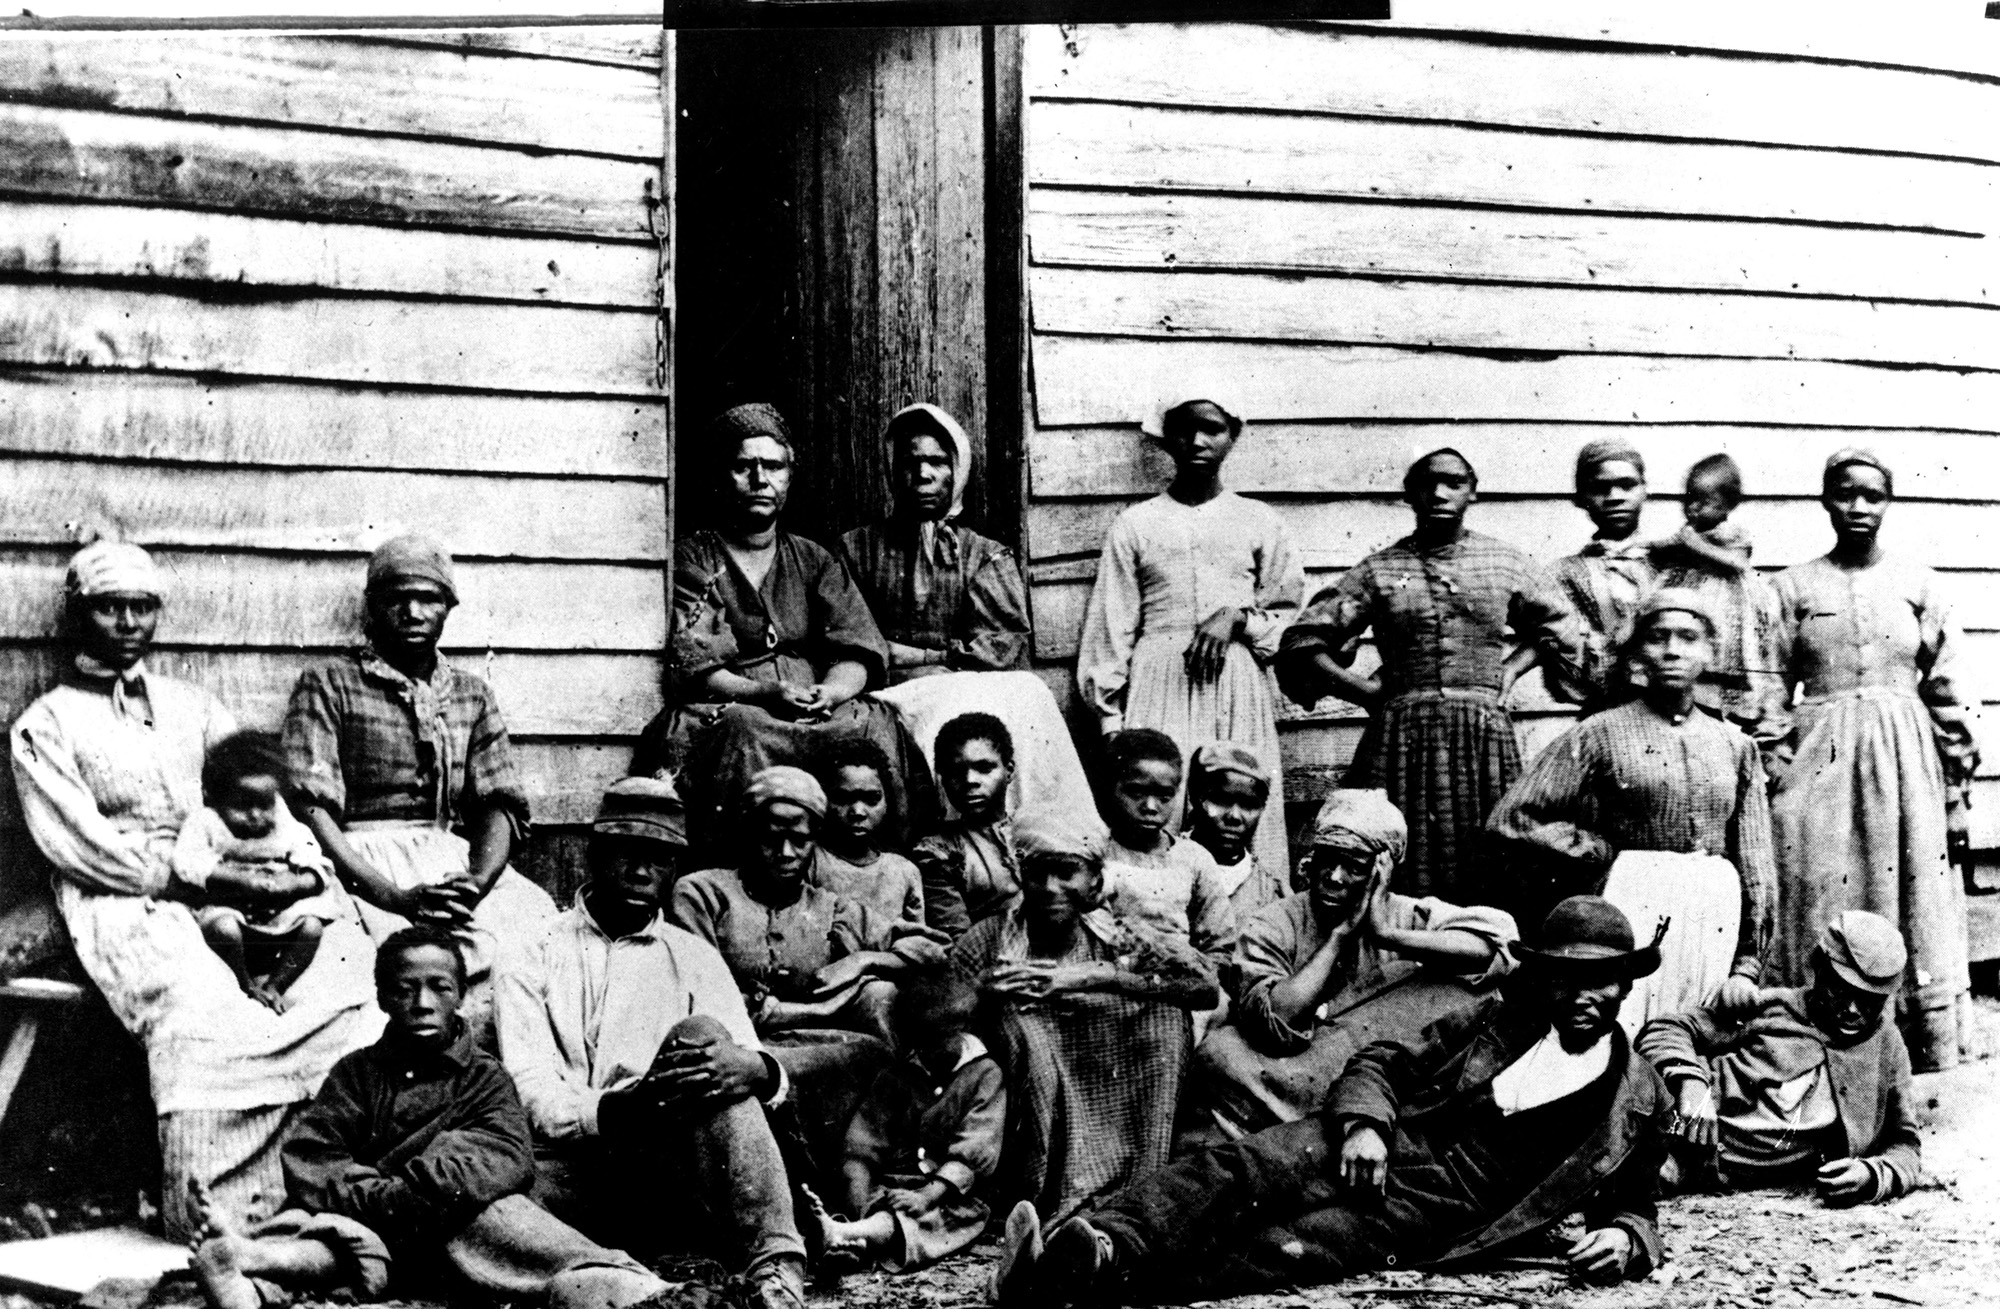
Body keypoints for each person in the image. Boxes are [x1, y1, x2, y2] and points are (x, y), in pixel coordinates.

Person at [992, 896, 1674, 1305]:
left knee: (1285, 1246)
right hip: (1388, 1139)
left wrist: (1625, 1236)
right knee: (1242, 1169)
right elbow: (1383, 1060)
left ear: (1625, 985)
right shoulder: (1497, 1021)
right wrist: (1367, 1126)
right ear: (1546, 977)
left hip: (1446, 1208)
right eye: (1569, 978)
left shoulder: (1636, 1093)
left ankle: (1083, 1279)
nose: (1587, 997)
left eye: (1605, 981)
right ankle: (1108, 1239)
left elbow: (1635, 1200)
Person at [11, 539, 380, 1241]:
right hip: (124, 897)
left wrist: (295, 866)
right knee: (199, 1005)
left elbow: (261, 798)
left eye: (141, 607)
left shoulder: (195, 706)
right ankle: (215, 1212)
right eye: (109, 607)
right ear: (79, 616)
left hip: (233, 884)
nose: (127, 622)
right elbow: (78, 845)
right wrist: (184, 879)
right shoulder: (47, 721)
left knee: (338, 986)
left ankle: (326, 1187)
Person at [188, 928, 668, 1309]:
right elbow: (315, 1155)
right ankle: (249, 1281)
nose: (421, 1003)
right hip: (373, 1223)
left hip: (448, 1221)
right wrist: (382, 1200)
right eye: (404, 989)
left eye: (438, 987)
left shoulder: (483, 1076)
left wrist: (416, 1190)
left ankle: (608, 1280)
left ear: (460, 994)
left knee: (500, 1219)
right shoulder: (357, 1072)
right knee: (318, 1230)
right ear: (381, 998)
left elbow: (502, 1154)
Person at [495, 777, 809, 1309]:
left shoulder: (693, 956)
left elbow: (744, 1071)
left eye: (660, 859)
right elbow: (530, 1086)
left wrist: (758, 1068)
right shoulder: (533, 948)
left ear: (673, 869)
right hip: (573, 1167)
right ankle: (636, 1287)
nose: (642, 871)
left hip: (669, 1168)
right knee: (483, 1206)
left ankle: (776, 1271)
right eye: (627, 852)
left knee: (708, 1040)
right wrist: (615, 1111)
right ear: (595, 854)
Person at [1276, 449, 1585, 901]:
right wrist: (1362, 692)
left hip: (1483, 737)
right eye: (1427, 483)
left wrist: (1510, 670)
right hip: (1401, 737)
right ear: (1410, 495)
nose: (1440, 493)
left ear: (1472, 491)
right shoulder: (1380, 570)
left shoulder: (1504, 563)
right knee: (1396, 856)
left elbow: (1559, 626)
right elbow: (1302, 641)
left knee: (1490, 853)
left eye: (1454, 482)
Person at [283, 534, 558, 1038]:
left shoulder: (472, 694)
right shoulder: (329, 683)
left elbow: (497, 803)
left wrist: (476, 885)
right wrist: (393, 897)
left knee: (533, 942)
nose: (412, 611)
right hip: (358, 863)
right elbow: (312, 809)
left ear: (449, 607)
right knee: (356, 975)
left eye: (428, 598)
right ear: (373, 608)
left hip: (453, 863)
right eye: (395, 599)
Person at [638, 402, 936, 857]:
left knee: (871, 723)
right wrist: (765, 693)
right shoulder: (697, 558)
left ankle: (876, 871)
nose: (760, 479)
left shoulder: (813, 559)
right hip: (739, 701)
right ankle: (741, 870)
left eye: (773, 467)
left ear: (789, 477)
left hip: (812, 702)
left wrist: (832, 694)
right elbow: (698, 666)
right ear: (721, 475)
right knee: (745, 730)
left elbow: (857, 649)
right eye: (744, 466)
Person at [1487, 589, 1777, 1035]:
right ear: (1638, 649)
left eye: (1688, 638)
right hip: (1631, 903)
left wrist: (1748, 965)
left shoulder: (1736, 745)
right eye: (1658, 637)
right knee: (1627, 1028)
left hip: (1714, 912)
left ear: (1710, 651)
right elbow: (1513, 819)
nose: (1673, 650)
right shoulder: (1600, 732)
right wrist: (1594, 852)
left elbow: (1756, 865)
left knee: (1698, 1032)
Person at [1771, 450, 1978, 1072]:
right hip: (1821, 758)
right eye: (1844, 494)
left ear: (1889, 503)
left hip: (1904, 756)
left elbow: (1947, 688)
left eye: (1872, 496)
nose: (1858, 508)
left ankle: (1915, 1046)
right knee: (1822, 883)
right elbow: (1769, 687)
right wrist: (1776, 762)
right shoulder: (1791, 587)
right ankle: (1819, 1042)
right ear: (1824, 500)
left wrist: (1955, 788)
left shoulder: (1920, 584)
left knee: (1908, 884)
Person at [1194, 790, 1518, 1140]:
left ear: (1383, 873)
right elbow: (1276, 1021)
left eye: (1354, 867)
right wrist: (1339, 937)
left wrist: (1386, 935)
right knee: (1222, 1052)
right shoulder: (1274, 922)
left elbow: (1497, 945)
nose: (1334, 877)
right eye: (1327, 860)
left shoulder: (1407, 916)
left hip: (1383, 1076)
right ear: (1311, 859)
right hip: (1298, 1071)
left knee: (1463, 989)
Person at [949, 809, 1219, 1225]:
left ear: (1095, 878)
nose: (1050, 888)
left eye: (1066, 873)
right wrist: (984, 988)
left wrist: (1094, 975)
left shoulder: (1120, 931)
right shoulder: (992, 938)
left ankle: (1136, 1195)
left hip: (1111, 1060)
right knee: (1024, 1030)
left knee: (1166, 1020)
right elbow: (942, 1013)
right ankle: (1047, 1201)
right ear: (1020, 874)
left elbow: (1202, 990)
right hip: (1032, 1091)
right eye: (1037, 874)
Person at [1076, 398, 1305, 888]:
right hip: (1160, 682)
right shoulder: (1136, 524)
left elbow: (1290, 622)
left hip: (1237, 684)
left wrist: (1238, 619)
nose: (1198, 442)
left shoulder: (1259, 520)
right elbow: (1110, 628)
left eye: (1212, 429)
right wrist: (1111, 723)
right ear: (1165, 438)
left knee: (1236, 803)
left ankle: (1250, 932)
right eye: (1184, 430)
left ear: (1233, 434)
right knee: (1162, 805)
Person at [1637, 910, 1922, 1206]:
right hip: (1672, 1137)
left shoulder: (1886, 1044)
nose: (1852, 1009)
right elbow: (1665, 1029)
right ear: (1817, 969)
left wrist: (1872, 1174)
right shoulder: (1772, 1007)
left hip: (1703, 1173)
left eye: (1870, 1000)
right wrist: (1691, 1084)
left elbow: (1906, 1145)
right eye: (1839, 990)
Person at [670, 766, 941, 1050]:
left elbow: (931, 949)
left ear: (815, 839)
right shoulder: (704, 894)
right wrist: (819, 1010)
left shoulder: (831, 909)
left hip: (815, 1049)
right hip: (735, 1047)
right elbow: (703, 997)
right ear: (748, 833)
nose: (786, 853)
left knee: (880, 999)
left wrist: (864, 960)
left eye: (800, 840)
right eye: (771, 838)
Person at [807, 971, 1007, 1273]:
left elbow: (974, 1151)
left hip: (948, 1195)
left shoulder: (985, 1075)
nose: (929, 1054)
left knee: (926, 1222)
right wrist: (859, 1202)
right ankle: (854, 1236)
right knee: (863, 1200)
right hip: (891, 1187)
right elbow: (861, 1147)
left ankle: (849, 1237)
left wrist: (926, 1196)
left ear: (963, 1028)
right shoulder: (897, 1075)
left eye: (939, 1043)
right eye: (921, 1045)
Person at [837, 402, 1030, 683]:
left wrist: (926, 658)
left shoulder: (985, 557)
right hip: (877, 694)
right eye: (909, 462)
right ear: (892, 471)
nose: (923, 474)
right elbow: (841, 640)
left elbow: (1002, 648)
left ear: (957, 470)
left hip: (960, 692)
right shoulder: (855, 550)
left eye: (937, 462)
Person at [173, 730, 347, 1012]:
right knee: (225, 929)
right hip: (231, 912)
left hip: (278, 914)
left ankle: (276, 984)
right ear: (215, 798)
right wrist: (240, 879)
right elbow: (187, 862)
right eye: (242, 806)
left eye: (264, 805)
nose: (256, 815)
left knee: (312, 927)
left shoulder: (282, 821)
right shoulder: (207, 821)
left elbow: (313, 856)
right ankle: (245, 983)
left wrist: (295, 882)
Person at [1648, 454, 1787, 752]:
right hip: (1691, 597)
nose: (1692, 508)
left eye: (1704, 501)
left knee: (1718, 656)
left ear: (1727, 506)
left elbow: (1736, 563)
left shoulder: (1731, 534)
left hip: (1725, 604)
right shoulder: (1689, 533)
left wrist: (1695, 546)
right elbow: (1662, 549)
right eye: (1689, 499)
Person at [1550, 438, 1657, 714]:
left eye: (1627, 485)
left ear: (1645, 490)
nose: (1615, 496)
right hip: (1603, 712)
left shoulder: (1672, 566)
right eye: (1600, 488)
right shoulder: (1565, 575)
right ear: (1581, 498)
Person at [912, 713, 1019, 938]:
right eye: (956, 772)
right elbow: (957, 940)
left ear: (1009, 771)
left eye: (984, 768)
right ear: (942, 779)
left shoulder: (1042, 832)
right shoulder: (938, 852)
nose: (970, 780)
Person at [810, 738, 925, 931]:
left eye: (871, 799)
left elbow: (918, 945)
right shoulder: (812, 863)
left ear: (887, 801)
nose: (858, 811)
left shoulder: (904, 871)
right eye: (842, 798)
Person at [1181, 744, 1288, 921]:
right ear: (1195, 797)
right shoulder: (1164, 867)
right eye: (1221, 800)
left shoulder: (1270, 893)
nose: (1234, 817)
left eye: (1249, 805)